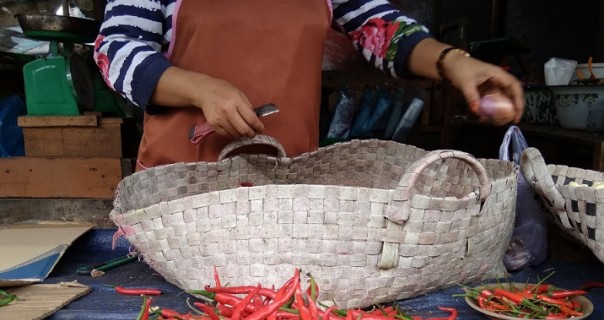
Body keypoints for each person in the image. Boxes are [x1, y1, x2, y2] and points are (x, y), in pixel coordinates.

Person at [94, 0, 525, 169]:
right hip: (179, 190)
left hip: (288, 187)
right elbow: (114, 49)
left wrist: (454, 62)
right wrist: (201, 89)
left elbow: (384, 31)